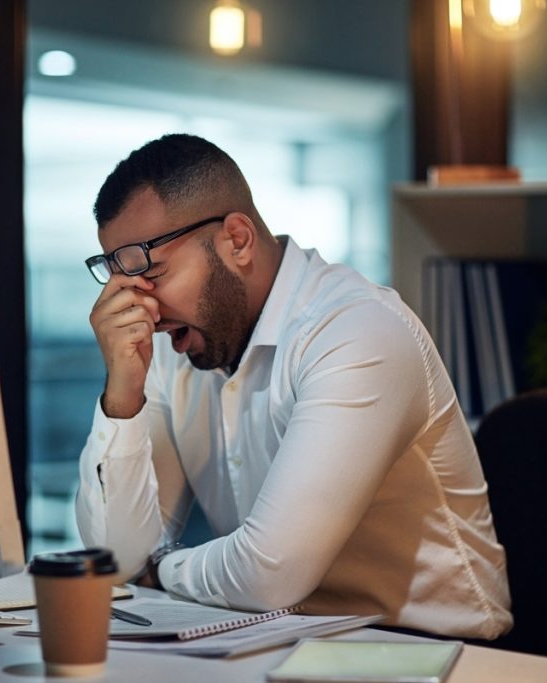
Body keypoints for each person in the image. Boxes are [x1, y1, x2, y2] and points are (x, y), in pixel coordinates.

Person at [75, 133, 512, 639]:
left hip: (432, 649)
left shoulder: (356, 332)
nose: (141, 309)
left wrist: (163, 567)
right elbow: (115, 558)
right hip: (281, 639)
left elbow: (268, 573)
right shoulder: (176, 346)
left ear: (237, 240)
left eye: (152, 273)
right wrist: (122, 395)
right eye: (124, 283)